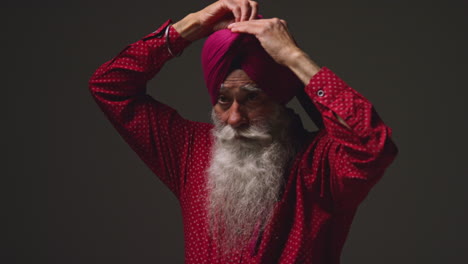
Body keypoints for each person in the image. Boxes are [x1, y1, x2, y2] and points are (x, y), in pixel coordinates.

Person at [88, 0, 398, 263]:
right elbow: (108, 86)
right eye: (223, 100)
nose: (235, 118)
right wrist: (188, 27)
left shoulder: (320, 166)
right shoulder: (190, 150)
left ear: (277, 97)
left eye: (252, 98)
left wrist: (294, 58)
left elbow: (372, 145)